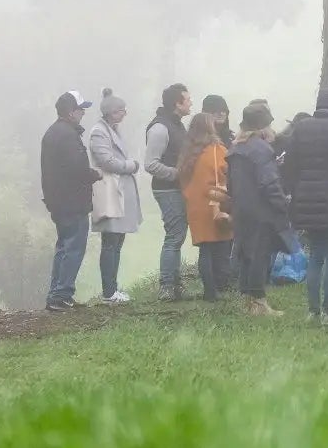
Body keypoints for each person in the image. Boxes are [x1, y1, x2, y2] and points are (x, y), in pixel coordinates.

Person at [281, 88, 328, 324]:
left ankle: (312, 312)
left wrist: (295, 190)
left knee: (315, 255)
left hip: (305, 200)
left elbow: (289, 164)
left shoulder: (301, 127)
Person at [227, 102, 299, 316]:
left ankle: (247, 302)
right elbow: (269, 183)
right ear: (263, 126)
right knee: (259, 255)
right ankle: (259, 303)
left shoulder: (236, 148)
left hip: (241, 209)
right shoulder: (261, 149)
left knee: (247, 254)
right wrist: (282, 204)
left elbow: (230, 184)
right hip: (261, 210)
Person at [40, 90, 98, 311]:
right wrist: (95, 174)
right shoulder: (67, 135)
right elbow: (77, 169)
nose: (83, 113)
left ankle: (56, 294)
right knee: (73, 247)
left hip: (58, 201)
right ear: (70, 112)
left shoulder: (52, 132)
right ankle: (61, 295)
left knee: (63, 247)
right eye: (80, 109)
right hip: (71, 202)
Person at [86, 89, 142, 304]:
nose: (124, 114)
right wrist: (131, 165)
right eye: (120, 110)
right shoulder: (99, 132)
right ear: (110, 113)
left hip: (119, 191)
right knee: (110, 242)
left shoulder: (113, 130)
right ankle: (109, 291)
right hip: (110, 192)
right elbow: (106, 161)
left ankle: (113, 288)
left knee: (117, 240)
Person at [179, 112, 234, 301]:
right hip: (214, 204)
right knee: (221, 248)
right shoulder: (217, 149)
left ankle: (209, 291)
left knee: (205, 249)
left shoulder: (188, 153)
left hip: (195, 205)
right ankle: (221, 287)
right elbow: (227, 172)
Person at [145, 83, 192, 300]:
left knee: (178, 235)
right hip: (167, 190)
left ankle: (175, 284)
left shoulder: (177, 125)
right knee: (174, 236)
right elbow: (150, 164)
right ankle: (166, 286)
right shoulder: (160, 128)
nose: (191, 102)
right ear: (177, 103)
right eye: (187, 99)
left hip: (176, 188)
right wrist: (177, 174)